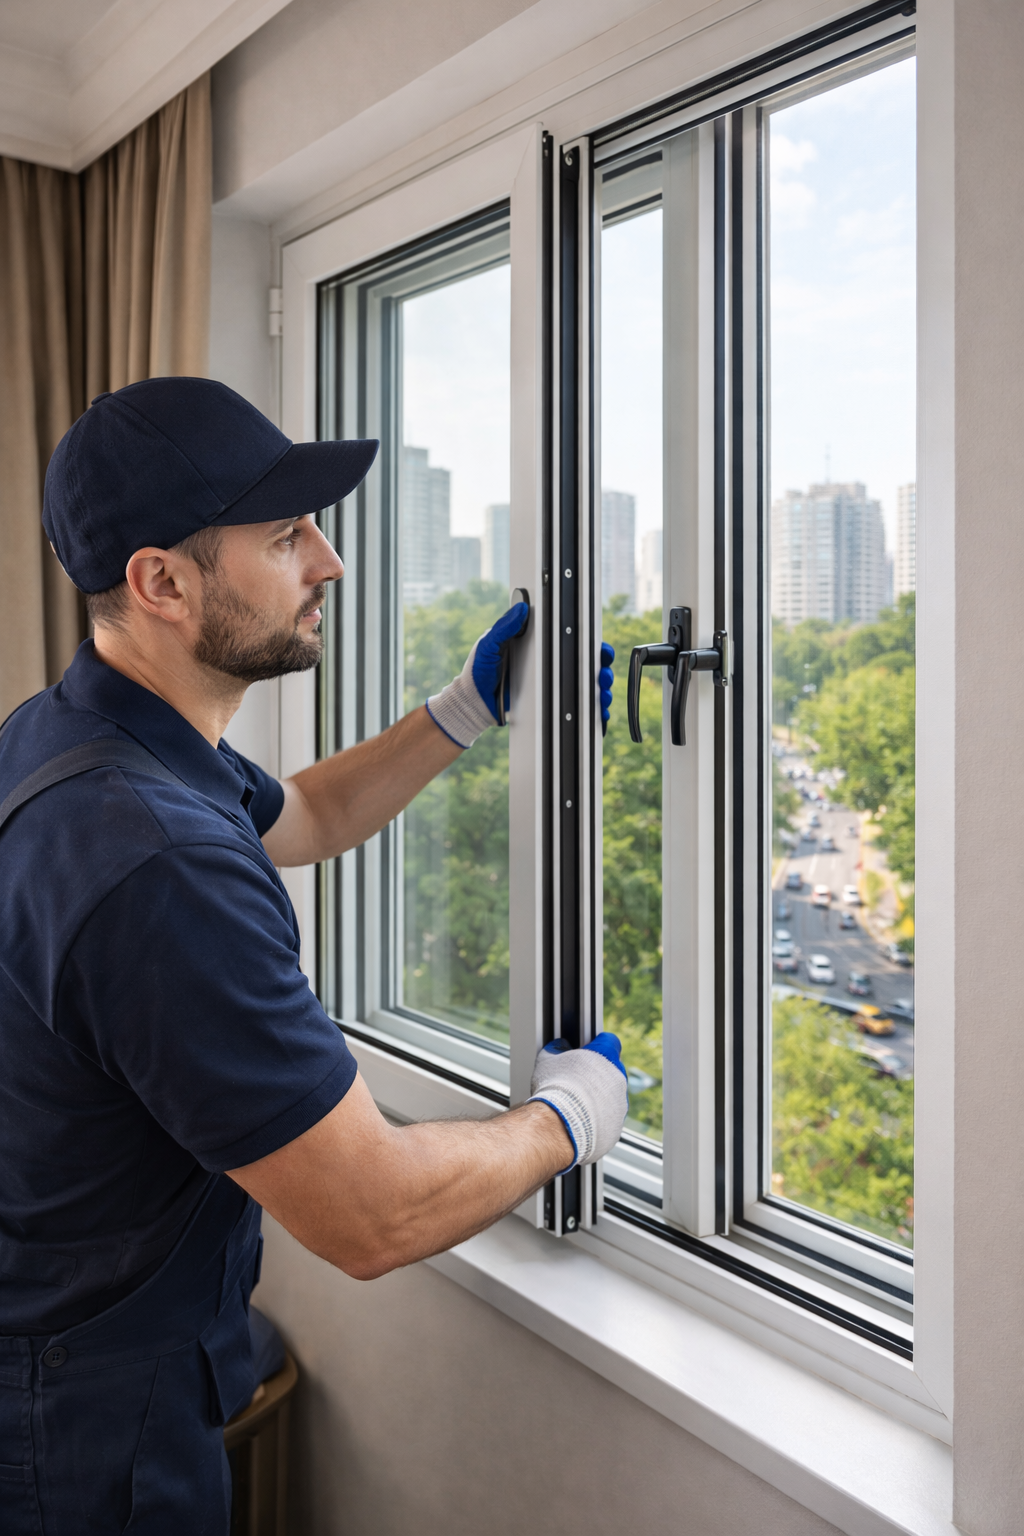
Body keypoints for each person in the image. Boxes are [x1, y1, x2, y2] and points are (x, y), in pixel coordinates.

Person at [0, 377, 627, 1534]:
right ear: (164, 583)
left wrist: (462, 709)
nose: (329, 562)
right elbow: (370, 1215)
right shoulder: (158, 862)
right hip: (82, 1434)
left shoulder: (79, 736)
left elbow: (305, 814)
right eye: (287, 535)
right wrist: (568, 1119)